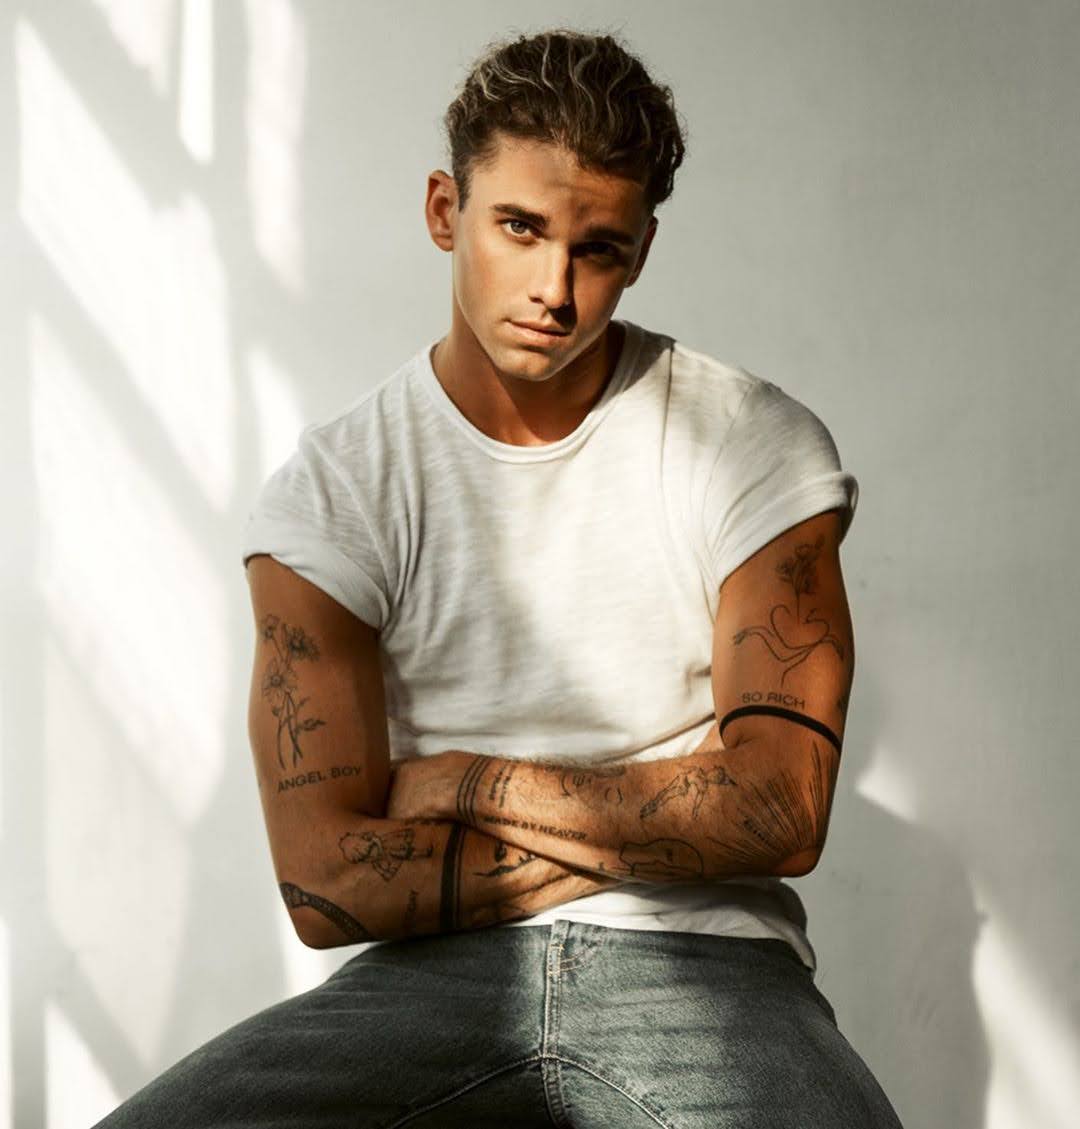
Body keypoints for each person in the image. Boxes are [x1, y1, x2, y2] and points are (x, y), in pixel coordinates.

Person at [95, 27, 905, 1128]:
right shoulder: (333, 496)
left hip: (708, 961)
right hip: (431, 978)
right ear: (445, 210)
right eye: (519, 228)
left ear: (642, 250)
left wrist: (468, 782)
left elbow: (780, 810)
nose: (554, 290)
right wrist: (668, 826)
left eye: (598, 248)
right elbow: (325, 881)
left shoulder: (750, 443)